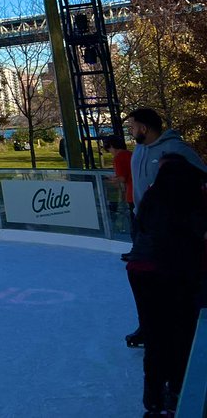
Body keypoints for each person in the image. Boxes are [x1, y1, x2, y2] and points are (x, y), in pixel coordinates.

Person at [125, 154, 207, 416]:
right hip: (171, 272)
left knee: (156, 335)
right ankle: (176, 391)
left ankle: (154, 400)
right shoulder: (193, 198)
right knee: (180, 333)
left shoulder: (152, 195)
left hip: (141, 271)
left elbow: (140, 230)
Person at [129, 108, 207, 207]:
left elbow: (203, 176)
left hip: (172, 219)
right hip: (142, 216)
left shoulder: (176, 148)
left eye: (132, 128)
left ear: (143, 129)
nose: (130, 132)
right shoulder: (138, 149)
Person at [103, 134, 135, 241]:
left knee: (135, 221)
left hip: (132, 193)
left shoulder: (118, 157)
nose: (109, 152)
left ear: (111, 146)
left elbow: (121, 178)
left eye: (109, 148)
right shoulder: (130, 154)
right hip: (141, 191)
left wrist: (109, 180)